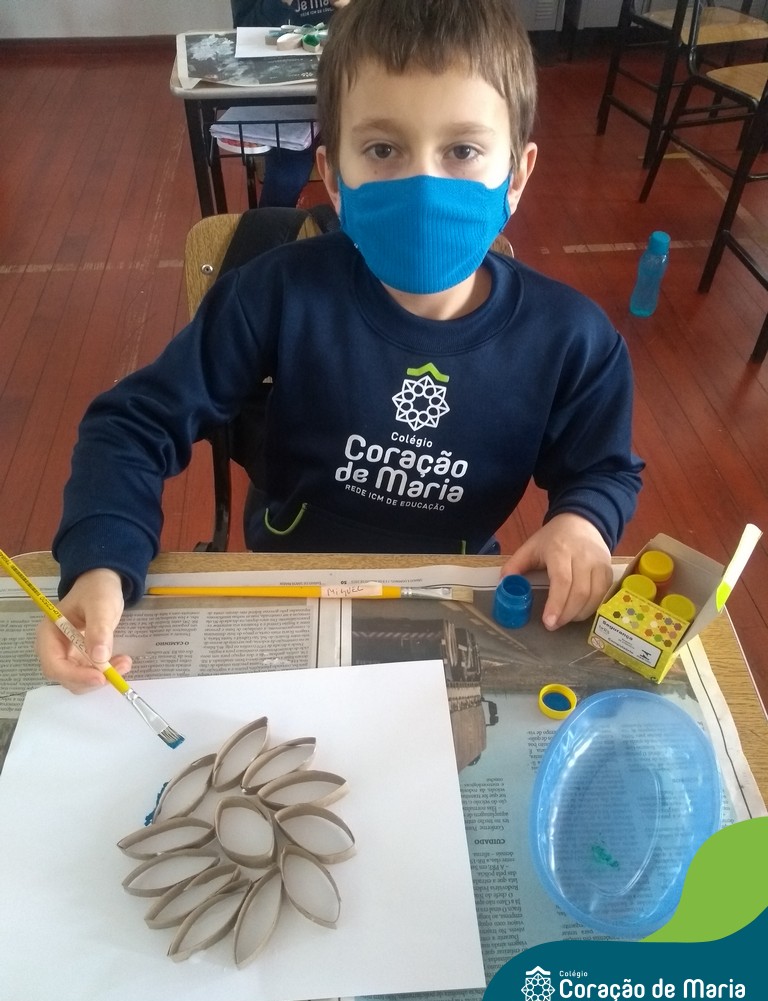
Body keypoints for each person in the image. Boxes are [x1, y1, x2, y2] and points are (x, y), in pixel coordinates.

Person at [39, 0, 643, 693]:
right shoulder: (275, 293)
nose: (424, 188)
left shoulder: (573, 340)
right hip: (288, 587)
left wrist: (582, 523)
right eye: (383, 150)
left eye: (463, 150)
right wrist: (99, 562)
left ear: (518, 174)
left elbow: (603, 470)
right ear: (333, 176)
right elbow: (133, 423)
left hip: (451, 593)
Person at [230, 1, 350, 207]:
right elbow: (244, 32)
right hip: (285, 95)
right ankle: (272, 225)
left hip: (346, 89)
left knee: (365, 171)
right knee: (287, 175)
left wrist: (352, 7)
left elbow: (390, 24)